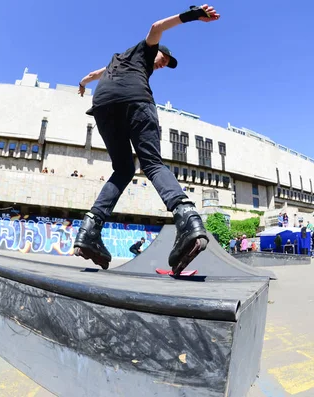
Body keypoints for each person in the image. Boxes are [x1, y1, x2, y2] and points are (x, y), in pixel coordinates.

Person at [73, 5, 220, 275]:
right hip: (133, 99)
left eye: (166, 64)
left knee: (124, 168)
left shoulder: (116, 62)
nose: (164, 63)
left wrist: (82, 84)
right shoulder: (145, 49)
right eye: (165, 58)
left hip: (103, 104)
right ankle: (187, 217)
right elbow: (156, 27)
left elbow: (94, 75)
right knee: (151, 163)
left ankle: (90, 229)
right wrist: (192, 16)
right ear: (158, 50)